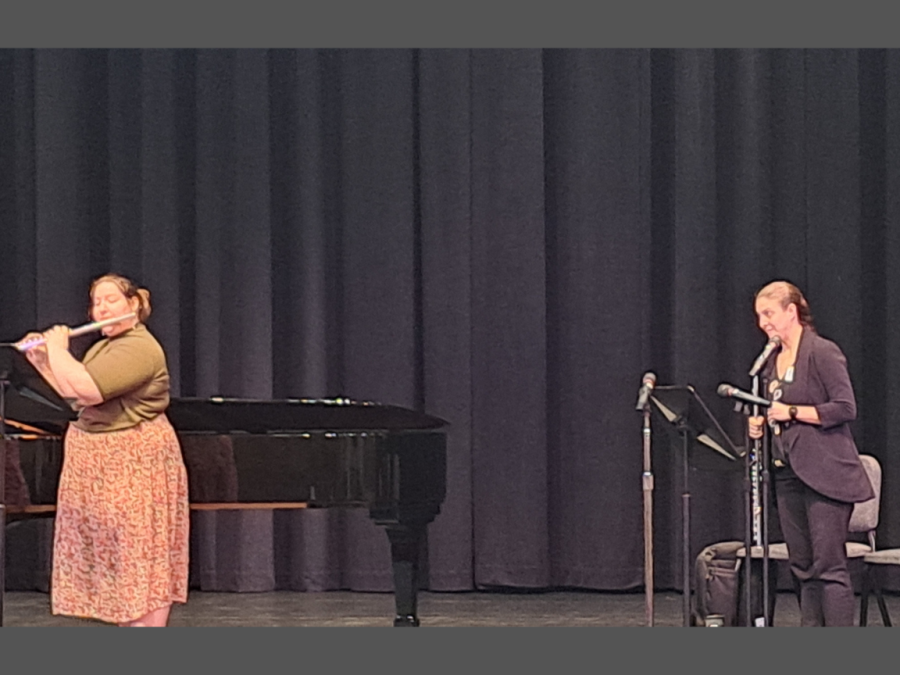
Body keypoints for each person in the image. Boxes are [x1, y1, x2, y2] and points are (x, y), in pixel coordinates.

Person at [17, 274, 189, 627]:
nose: (102, 308)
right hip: (102, 466)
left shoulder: (140, 346)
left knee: (136, 554)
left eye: (111, 300)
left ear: (134, 305)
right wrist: (40, 359)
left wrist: (59, 350)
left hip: (133, 464)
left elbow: (91, 390)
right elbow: (70, 391)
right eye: (96, 302)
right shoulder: (103, 347)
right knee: (114, 559)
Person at [748, 280, 873, 627]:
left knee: (829, 567)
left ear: (792, 312)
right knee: (802, 568)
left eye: (769, 313)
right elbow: (775, 407)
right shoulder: (772, 360)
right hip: (788, 475)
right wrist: (761, 423)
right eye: (759, 316)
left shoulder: (821, 351)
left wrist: (791, 412)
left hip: (826, 475)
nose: (763, 322)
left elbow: (845, 408)